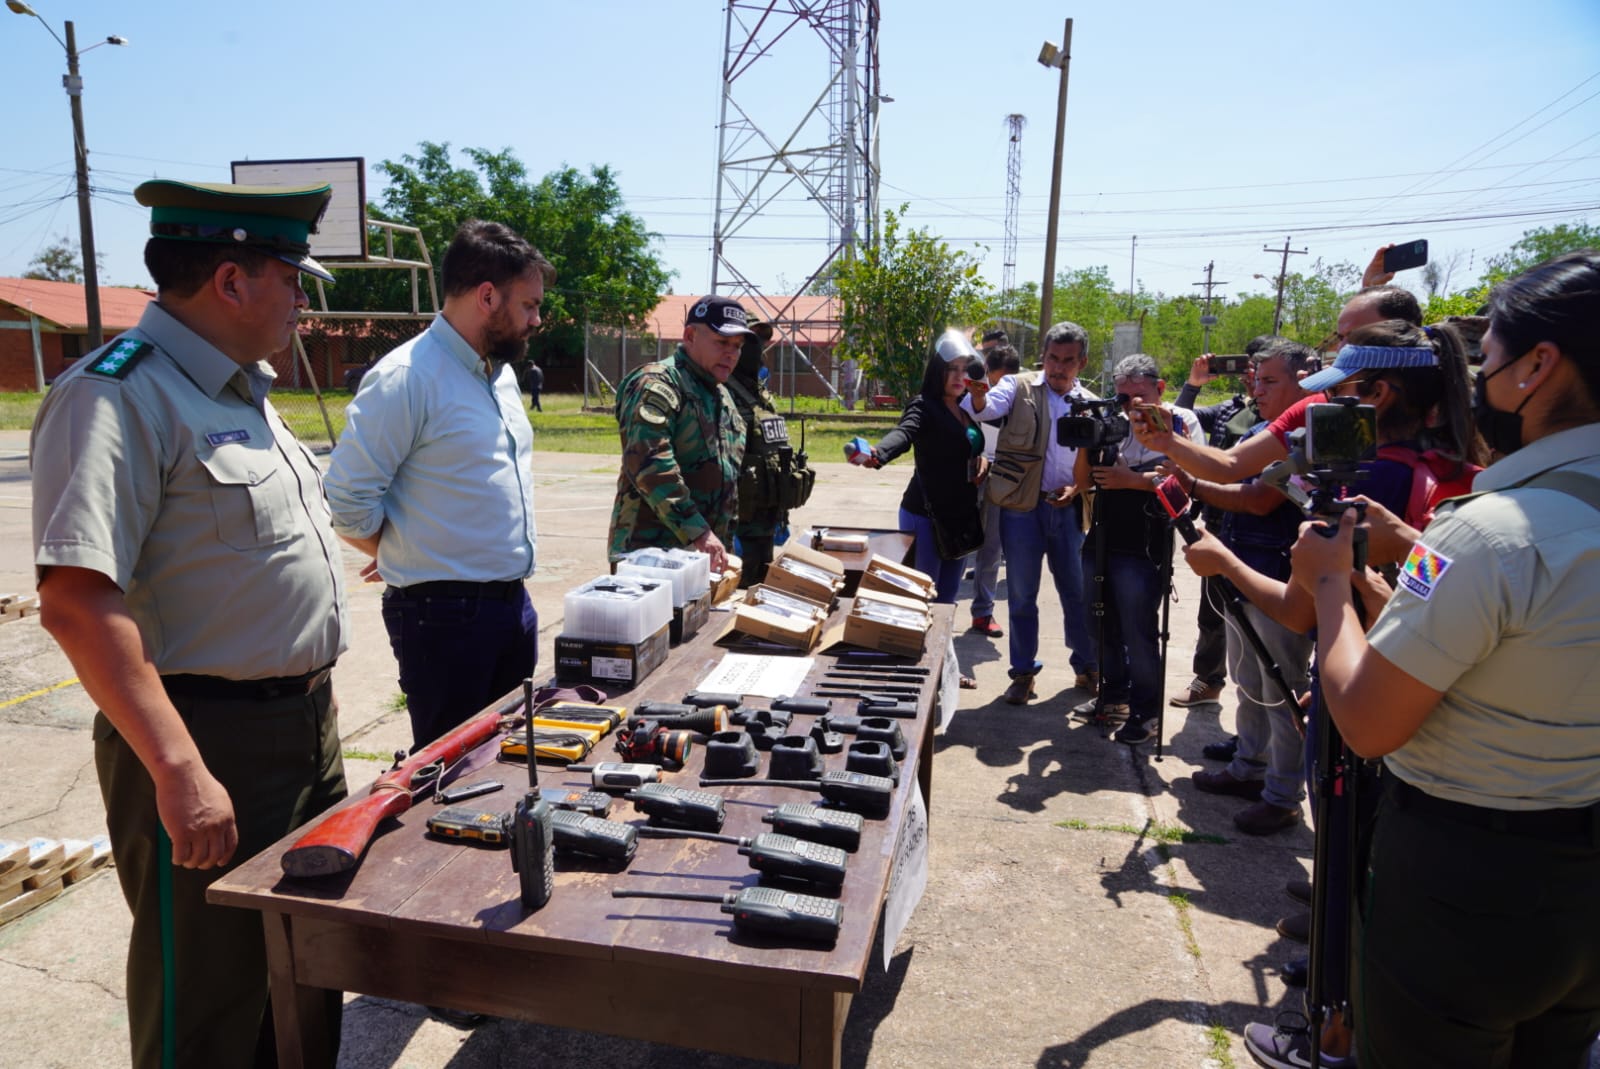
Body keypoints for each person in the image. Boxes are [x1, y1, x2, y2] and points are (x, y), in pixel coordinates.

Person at [31, 178, 350, 1068]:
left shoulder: (241, 390)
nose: (300, 298)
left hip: (301, 728)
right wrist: (177, 767)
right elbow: (77, 601)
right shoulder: (115, 396)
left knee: (302, 975)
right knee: (208, 1002)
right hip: (205, 738)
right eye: (292, 275)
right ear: (231, 280)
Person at [1279, 250, 1600, 1069]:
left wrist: (1328, 586)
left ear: (1538, 365)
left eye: (1487, 357)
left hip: (1468, 887)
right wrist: (1416, 552)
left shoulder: (1488, 533)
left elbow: (1369, 718)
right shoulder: (1482, 538)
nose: (1478, 379)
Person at [325, 220, 549, 749]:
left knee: (509, 761)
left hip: (511, 606)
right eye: (529, 305)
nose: (537, 320)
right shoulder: (408, 377)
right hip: (444, 622)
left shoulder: (501, 374)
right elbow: (347, 502)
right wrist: (407, 549)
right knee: (451, 777)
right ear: (487, 297)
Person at [1171, 340, 1318, 835]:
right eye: (1257, 378)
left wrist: (1189, 483)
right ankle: (1248, 769)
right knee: (1249, 681)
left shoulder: (1308, 437)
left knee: (1282, 687)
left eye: (1271, 380)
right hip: (1239, 568)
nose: (1258, 387)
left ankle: (1281, 795)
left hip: (1275, 574)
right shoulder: (1259, 432)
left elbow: (1256, 500)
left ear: (1306, 380)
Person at [963, 322, 1101, 705]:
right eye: (1053, 358)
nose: (1059, 367)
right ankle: (1023, 673)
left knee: (1076, 592)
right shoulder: (1017, 387)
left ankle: (1087, 666)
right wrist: (977, 396)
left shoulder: (1089, 402)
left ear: (1082, 362)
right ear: (1043, 356)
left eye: (1068, 361)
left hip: (1068, 509)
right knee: (1022, 594)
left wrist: (1077, 488)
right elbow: (987, 407)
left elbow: (1094, 461)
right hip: (1021, 509)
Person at [1073, 354, 1204, 743]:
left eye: (1139, 395)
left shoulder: (1181, 422)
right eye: (1122, 395)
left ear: (1160, 389)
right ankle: (1114, 696)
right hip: (1102, 534)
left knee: (1138, 631)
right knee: (1100, 623)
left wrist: (1130, 479)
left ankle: (1147, 712)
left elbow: (1186, 480)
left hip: (1145, 541)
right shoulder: (1111, 421)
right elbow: (1083, 483)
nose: (1130, 403)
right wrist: (1085, 442)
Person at [609, 295, 749, 574]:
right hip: (649, 558)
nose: (731, 353)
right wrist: (698, 532)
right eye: (722, 342)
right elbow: (650, 465)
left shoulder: (722, 395)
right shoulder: (658, 383)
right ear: (689, 335)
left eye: (737, 346)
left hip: (703, 557)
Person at [859, 335, 987, 604]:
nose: (958, 375)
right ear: (938, 370)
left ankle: (941, 645)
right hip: (925, 515)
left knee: (948, 596)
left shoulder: (966, 407)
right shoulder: (924, 405)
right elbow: (905, 433)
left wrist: (982, 459)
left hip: (959, 515)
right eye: (952, 368)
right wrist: (879, 452)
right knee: (921, 597)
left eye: (964, 369)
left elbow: (972, 445)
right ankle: (918, 646)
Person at [728, 317, 815, 586]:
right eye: (749, 340)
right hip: (738, 524)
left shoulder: (762, 395)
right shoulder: (721, 392)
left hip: (766, 518)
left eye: (761, 341)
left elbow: (773, 454)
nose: (757, 347)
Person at [968, 342, 1022, 638]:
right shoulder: (970, 395)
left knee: (992, 548)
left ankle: (982, 613)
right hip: (969, 474)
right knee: (955, 544)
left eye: (1007, 382)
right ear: (986, 372)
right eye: (995, 380)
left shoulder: (1023, 399)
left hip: (1003, 478)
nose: (999, 389)